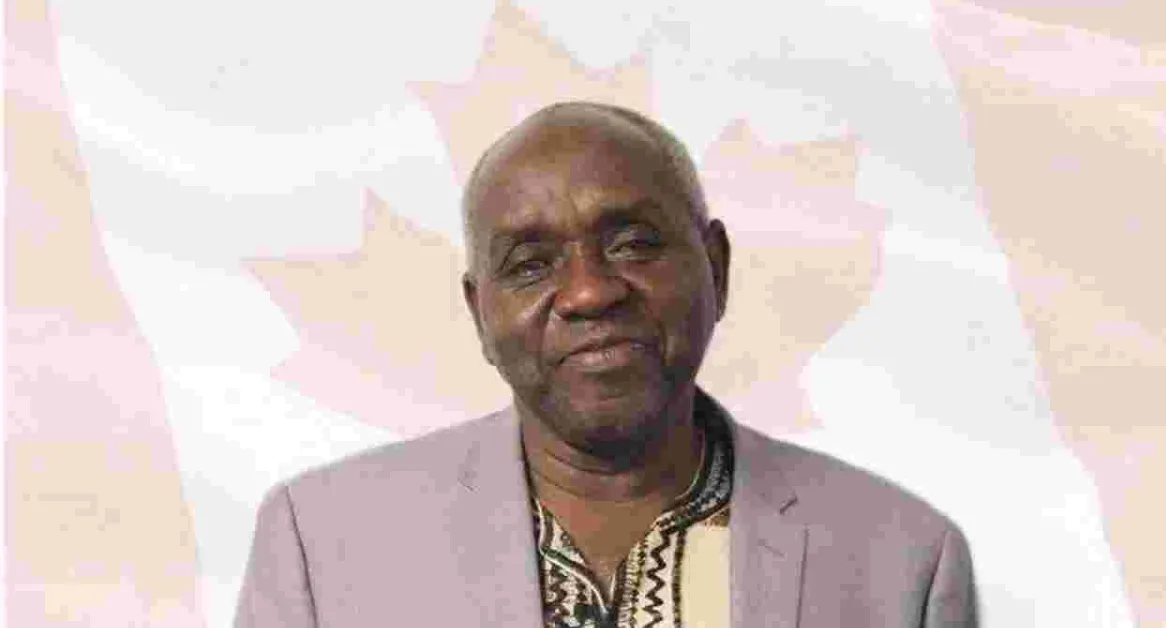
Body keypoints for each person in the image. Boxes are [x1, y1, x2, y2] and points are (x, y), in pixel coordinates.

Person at [234, 101, 978, 627]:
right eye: (530, 264)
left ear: (716, 267)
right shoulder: (322, 545)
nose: (590, 291)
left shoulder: (903, 560)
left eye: (633, 243)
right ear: (480, 312)